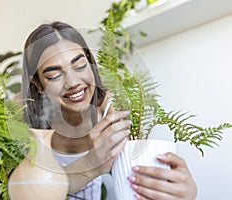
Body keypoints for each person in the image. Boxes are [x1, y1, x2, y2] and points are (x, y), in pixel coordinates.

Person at [19, 21, 197, 200]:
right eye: (54, 75)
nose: (72, 82)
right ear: (37, 84)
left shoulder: (118, 114)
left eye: (80, 65)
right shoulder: (28, 136)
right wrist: (90, 164)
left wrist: (183, 192)